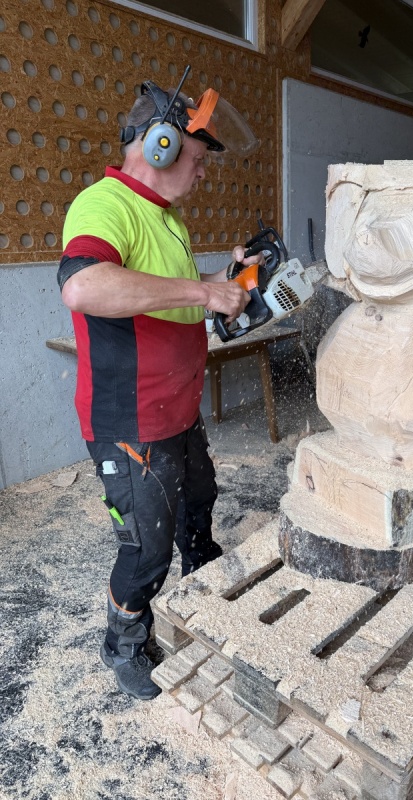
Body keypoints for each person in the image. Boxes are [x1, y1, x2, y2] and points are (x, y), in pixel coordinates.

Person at [58, 74, 261, 700]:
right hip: (131, 419)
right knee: (146, 549)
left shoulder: (164, 218)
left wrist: (223, 282)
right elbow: (84, 286)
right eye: (198, 158)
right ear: (161, 145)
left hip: (178, 406)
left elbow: (168, 298)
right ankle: (122, 642)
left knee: (198, 501)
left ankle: (203, 583)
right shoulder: (104, 205)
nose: (201, 171)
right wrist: (203, 290)